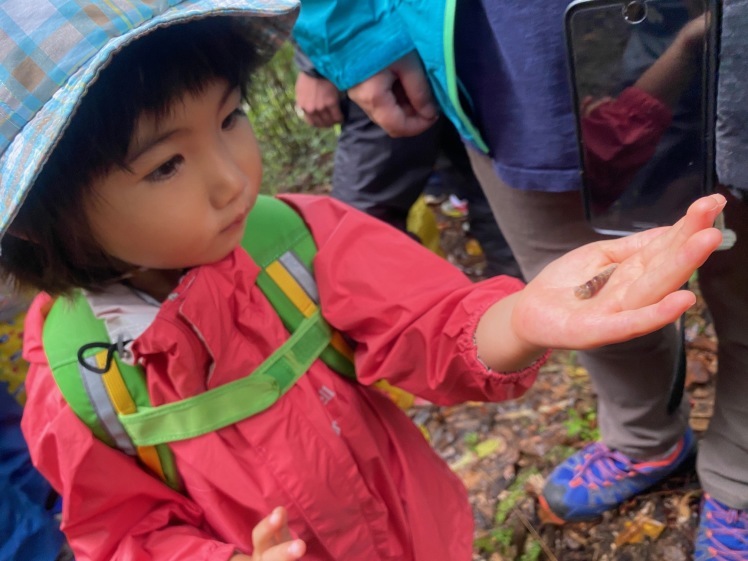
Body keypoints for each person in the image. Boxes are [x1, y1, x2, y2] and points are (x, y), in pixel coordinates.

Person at [0, 1, 725, 560]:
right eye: (165, 165)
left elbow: (428, 324)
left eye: (231, 117)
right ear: (39, 222)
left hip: (419, 533)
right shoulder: (79, 376)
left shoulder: (296, 239)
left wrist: (524, 317)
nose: (231, 179)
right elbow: (121, 529)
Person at [293, 1, 748, 557]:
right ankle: (643, 439)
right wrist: (356, 32)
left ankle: (739, 481)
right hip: (505, 80)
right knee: (592, 302)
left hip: (732, 74)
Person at [293, 49, 522, 278]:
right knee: (482, 175)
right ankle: (516, 287)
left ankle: (441, 304)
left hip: (375, 55)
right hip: (429, 42)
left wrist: (315, 68)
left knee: (360, 228)